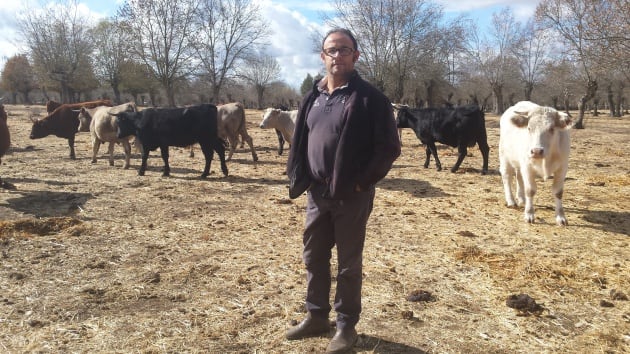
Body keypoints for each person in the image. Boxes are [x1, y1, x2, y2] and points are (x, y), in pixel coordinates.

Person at [285, 28, 401, 354]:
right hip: (317, 193)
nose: (338, 56)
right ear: (323, 56)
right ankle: (317, 316)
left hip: (352, 194)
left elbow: (389, 147)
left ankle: (346, 326)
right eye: (331, 50)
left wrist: (363, 181)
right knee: (314, 255)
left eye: (344, 50)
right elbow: (302, 142)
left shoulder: (370, 99)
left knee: (348, 263)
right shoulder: (313, 97)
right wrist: (301, 176)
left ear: (356, 56)